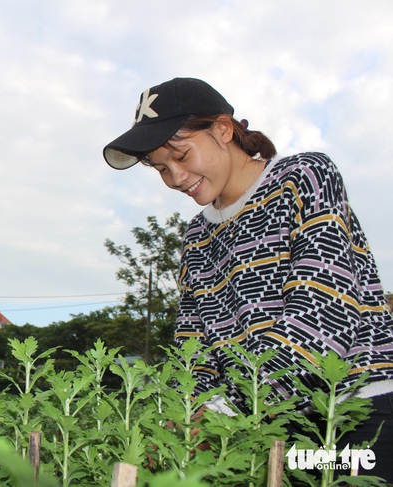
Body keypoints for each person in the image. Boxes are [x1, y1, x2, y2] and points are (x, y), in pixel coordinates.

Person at [103, 77, 393, 480]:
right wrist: (179, 418)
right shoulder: (197, 237)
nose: (175, 178)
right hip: (262, 425)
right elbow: (194, 349)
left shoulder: (304, 176)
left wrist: (218, 412)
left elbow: (323, 314)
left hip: (352, 414)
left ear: (222, 129)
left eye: (182, 155)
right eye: (160, 168)